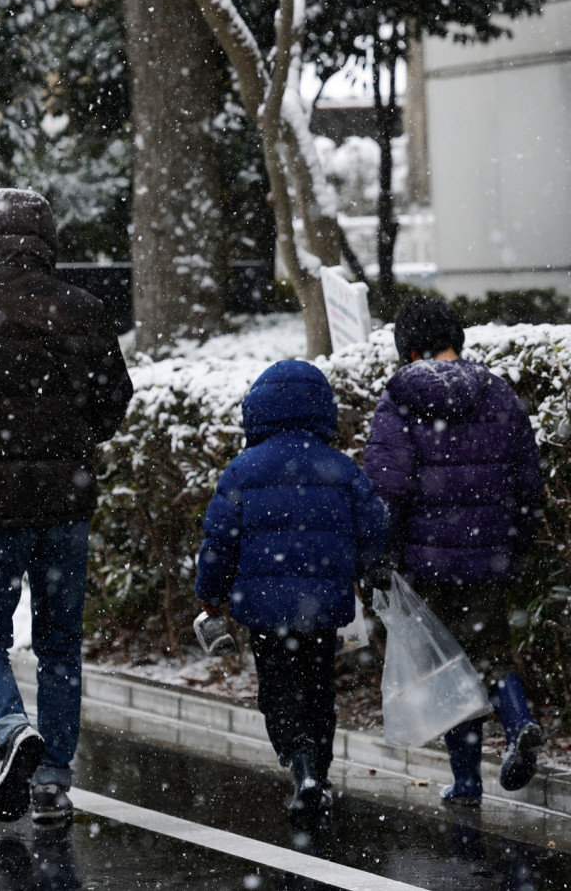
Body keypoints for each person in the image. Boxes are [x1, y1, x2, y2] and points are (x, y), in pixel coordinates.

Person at [0, 188, 133, 824]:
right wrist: (70, 443)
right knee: (60, 644)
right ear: (48, 240)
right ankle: (54, 784)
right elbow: (113, 399)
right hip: (65, 505)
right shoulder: (84, 309)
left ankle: (13, 729)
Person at [363, 296, 546, 805]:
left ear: (410, 348)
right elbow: (528, 480)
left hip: (426, 562)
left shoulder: (398, 401)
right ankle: (519, 721)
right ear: (455, 340)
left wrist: (381, 554)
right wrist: (519, 541)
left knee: (446, 666)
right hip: (486, 556)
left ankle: (467, 783)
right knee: (490, 651)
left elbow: (387, 487)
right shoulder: (498, 394)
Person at [194, 360, 388, 813]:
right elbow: (374, 526)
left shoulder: (243, 471)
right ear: (323, 410)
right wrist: (358, 568)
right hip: (321, 604)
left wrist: (211, 593)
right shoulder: (341, 469)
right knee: (318, 684)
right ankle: (317, 770)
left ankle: (298, 762)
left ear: (258, 411)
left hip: (263, 607)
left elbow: (219, 540)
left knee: (277, 686)